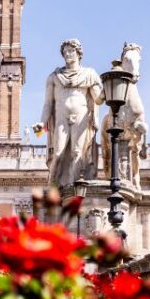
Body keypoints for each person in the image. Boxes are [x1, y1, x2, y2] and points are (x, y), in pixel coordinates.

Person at [33, 39, 103, 188]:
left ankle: (74, 188)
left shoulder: (89, 74)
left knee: (78, 153)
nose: (67, 54)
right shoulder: (54, 77)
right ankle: (52, 186)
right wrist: (42, 123)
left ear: (78, 53)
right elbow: (48, 104)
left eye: (70, 51)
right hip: (61, 118)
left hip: (81, 117)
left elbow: (98, 99)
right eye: (65, 52)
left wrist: (112, 89)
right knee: (58, 153)